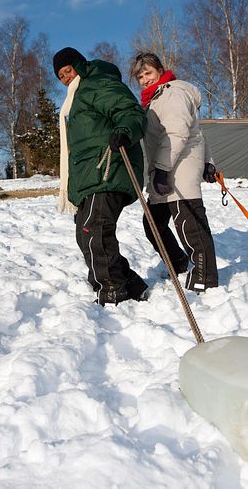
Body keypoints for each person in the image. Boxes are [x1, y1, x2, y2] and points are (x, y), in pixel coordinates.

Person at [53, 46, 149, 306]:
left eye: (67, 70)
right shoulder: (76, 98)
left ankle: (112, 289)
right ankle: (130, 284)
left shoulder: (96, 83)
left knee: (95, 230)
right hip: (89, 176)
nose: (65, 78)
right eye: (60, 76)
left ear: (79, 65)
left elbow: (130, 111)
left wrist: (124, 130)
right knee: (85, 234)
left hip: (107, 169)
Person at [130, 52, 218, 293]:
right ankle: (178, 263)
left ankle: (205, 277)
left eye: (148, 73)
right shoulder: (156, 98)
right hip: (167, 166)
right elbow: (197, 131)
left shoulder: (172, 93)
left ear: (159, 69)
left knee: (190, 225)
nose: (144, 79)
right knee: (153, 223)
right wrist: (209, 162)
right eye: (140, 76)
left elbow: (178, 133)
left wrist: (161, 170)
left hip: (178, 168)